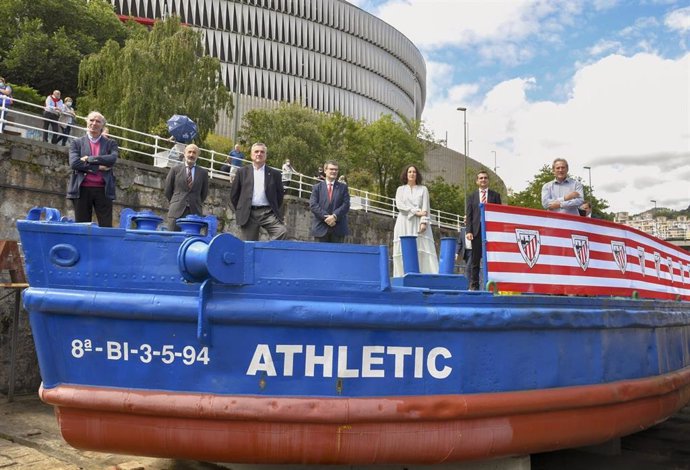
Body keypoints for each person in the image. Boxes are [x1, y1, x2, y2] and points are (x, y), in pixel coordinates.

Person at [67, 111, 118, 227]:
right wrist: (98, 167)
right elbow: (74, 163)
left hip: (103, 190)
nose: (94, 123)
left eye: (98, 121)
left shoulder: (111, 143)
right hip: (82, 189)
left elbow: (112, 159)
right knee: (82, 227)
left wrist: (90, 159)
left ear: (102, 126)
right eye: (91, 120)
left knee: (106, 228)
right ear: (87, 122)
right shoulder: (76, 143)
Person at [230, 142, 287, 241]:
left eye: (262, 152)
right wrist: (242, 209)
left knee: (282, 232)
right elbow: (234, 195)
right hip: (249, 213)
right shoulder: (242, 172)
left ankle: (267, 253)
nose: (259, 154)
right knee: (249, 245)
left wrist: (272, 208)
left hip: (268, 213)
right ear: (252, 154)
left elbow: (280, 196)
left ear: (266, 155)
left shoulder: (275, 174)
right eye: (256, 151)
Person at [392, 164, 438, 276]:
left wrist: (423, 221)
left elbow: (425, 207)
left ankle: (426, 275)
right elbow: (400, 206)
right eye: (409, 172)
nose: (412, 174)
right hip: (404, 221)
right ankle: (402, 274)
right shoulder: (400, 189)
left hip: (418, 222)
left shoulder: (423, 189)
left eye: (414, 172)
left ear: (417, 175)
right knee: (403, 250)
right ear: (406, 174)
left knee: (421, 247)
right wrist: (416, 212)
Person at [465, 170, 502, 290]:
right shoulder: (472, 197)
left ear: (488, 180)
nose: (483, 180)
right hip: (476, 231)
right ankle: (474, 285)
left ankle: (492, 285)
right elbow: (469, 215)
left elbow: (499, 215)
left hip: (491, 232)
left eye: (485, 178)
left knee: (492, 259)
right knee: (475, 260)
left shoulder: (495, 196)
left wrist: (498, 231)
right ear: (477, 181)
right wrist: (468, 231)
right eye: (480, 178)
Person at [164, 144, 209, 231]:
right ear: (184, 154)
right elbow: (167, 190)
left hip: (194, 212)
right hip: (176, 211)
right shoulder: (175, 170)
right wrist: (176, 201)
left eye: (194, 153)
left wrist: (194, 201)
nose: (191, 155)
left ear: (197, 156)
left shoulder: (203, 173)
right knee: (172, 240)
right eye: (189, 152)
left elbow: (204, 193)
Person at [309, 160, 350, 243]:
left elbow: (346, 205)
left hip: (338, 229)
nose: (334, 171)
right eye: (331, 169)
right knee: (320, 255)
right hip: (320, 229)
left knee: (337, 256)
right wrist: (327, 218)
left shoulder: (343, 188)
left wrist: (334, 216)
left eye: (336, 169)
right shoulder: (317, 187)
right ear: (325, 170)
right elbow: (313, 205)